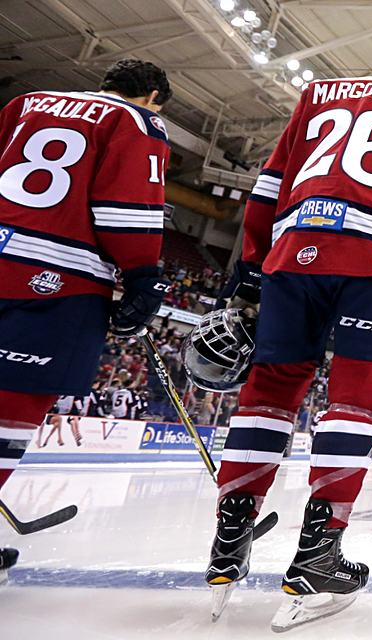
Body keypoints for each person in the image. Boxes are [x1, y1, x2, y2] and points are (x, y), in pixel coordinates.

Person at [200, 57, 372, 629]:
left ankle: (229, 540)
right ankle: (318, 554)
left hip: (292, 248)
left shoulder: (320, 92)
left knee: (268, 390)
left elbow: (270, 182)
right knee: (356, 395)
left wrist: (252, 261)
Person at [0, 60, 173, 583]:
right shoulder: (136, 122)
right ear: (154, 97)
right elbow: (125, 206)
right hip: (55, 281)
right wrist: (143, 276)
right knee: (11, 409)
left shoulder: (25, 103)